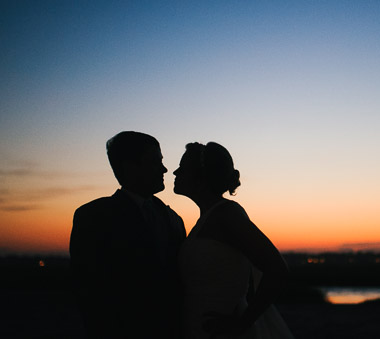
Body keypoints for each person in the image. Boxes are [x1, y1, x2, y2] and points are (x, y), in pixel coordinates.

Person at [70, 131, 187, 339]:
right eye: (154, 161)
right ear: (130, 167)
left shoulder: (174, 219)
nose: (164, 169)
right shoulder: (93, 217)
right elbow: (88, 291)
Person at [175, 142, 294, 339]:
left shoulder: (227, 215)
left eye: (183, 167)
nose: (175, 172)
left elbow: (277, 268)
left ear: (201, 176)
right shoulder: (206, 218)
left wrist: (242, 323)